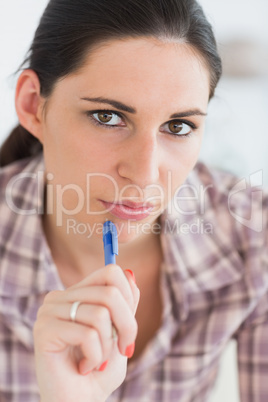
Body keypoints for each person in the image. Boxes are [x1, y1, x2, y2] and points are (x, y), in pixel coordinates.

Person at [0, 0, 267, 401]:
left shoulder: (253, 232)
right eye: (108, 117)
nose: (144, 174)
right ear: (33, 105)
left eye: (178, 126)